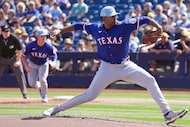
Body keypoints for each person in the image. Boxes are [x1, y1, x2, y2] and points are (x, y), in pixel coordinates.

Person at [43, 6, 188, 125]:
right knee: (89, 95)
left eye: (114, 16)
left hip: (126, 65)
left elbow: (145, 19)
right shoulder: (95, 28)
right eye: (112, 16)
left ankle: (167, 113)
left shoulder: (124, 26)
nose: (115, 18)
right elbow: (78, 26)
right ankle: (56, 109)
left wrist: (158, 27)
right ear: (105, 18)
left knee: (150, 80)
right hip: (106, 68)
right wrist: (60, 30)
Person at [21, 28, 57, 102]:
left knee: (43, 80)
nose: (43, 38)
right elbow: (23, 56)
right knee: (32, 83)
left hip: (43, 64)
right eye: (41, 36)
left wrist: (53, 61)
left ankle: (44, 96)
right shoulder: (31, 45)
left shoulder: (48, 46)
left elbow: (54, 55)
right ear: (37, 36)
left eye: (45, 36)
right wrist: (26, 66)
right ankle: (40, 86)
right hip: (32, 64)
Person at [0, 25, 28, 99]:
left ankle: (24, 94)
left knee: (20, 75)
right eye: (4, 32)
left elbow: (19, 50)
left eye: (8, 31)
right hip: (2, 58)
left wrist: (18, 61)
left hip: (14, 58)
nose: (6, 33)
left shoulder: (14, 38)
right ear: (1, 32)